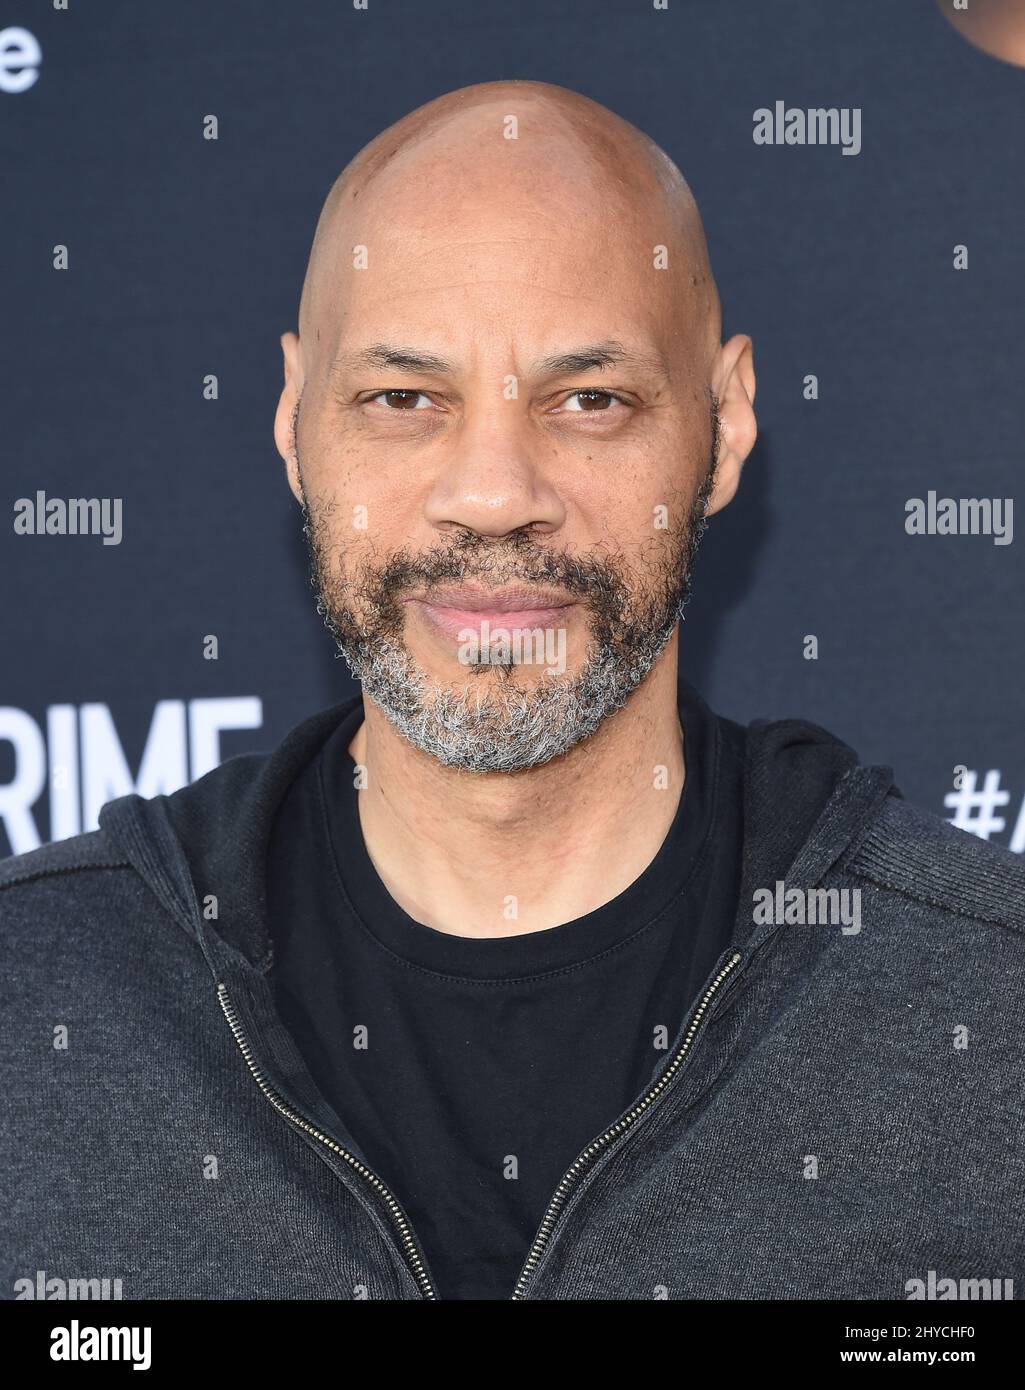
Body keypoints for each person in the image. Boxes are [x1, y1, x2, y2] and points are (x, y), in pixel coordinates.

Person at [3, 80, 1023, 1302]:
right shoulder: (38, 1001)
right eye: (401, 399)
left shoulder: (985, 1009)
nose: (492, 492)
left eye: (587, 400)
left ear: (724, 421)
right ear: (291, 422)